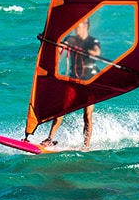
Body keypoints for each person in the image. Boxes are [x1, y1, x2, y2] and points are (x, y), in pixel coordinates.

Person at [41, 19, 100, 149]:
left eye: (78, 26)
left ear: (86, 26)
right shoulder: (71, 39)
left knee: (87, 115)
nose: (75, 29)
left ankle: (85, 146)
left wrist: (87, 52)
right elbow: (61, 46)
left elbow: (96, 52)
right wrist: (47, 42)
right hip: (73, 80)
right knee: (61, 110)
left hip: (90, 82)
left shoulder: (92, 41)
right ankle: (50, 138)